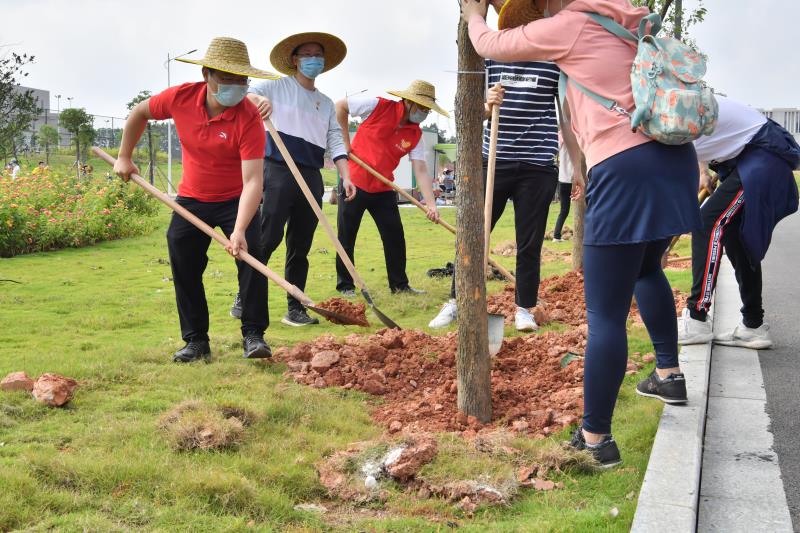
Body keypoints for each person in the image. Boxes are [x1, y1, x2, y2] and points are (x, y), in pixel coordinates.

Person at [462, 0, 703, 467]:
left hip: (626, 162)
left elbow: (491, 45)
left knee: (605, 315)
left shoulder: (570, 25)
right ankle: (669, 374)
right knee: (648, 269)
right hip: (674, 159)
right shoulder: (629, 23)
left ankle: (596, 439)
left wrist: (474, 13)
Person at [114, 37, 277, 363]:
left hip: (236, 199)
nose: (235, 86)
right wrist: (124, 156)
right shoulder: (180, 98)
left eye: (241, 80)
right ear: (207, 75)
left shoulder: (248, 118)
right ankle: (196, 341)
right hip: (191, 198)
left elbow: (253, 182)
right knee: (183, 258)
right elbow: (139, 112)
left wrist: (240, 229)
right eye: (227, 79)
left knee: (252, 255)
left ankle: (254, 335)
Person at [430, 0, 575, 332]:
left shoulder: (553, 61)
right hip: (493, 159)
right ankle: (457, 300)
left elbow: (565, 117)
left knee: (530, 241)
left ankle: (524, 308)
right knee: (474, 235)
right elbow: (471, 110)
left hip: (538, 165)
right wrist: (487, 105)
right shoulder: (491, 55)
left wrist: (576, 168)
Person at [229, 32, 353, 327]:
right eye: (307, 54)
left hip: (311, 174)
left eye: (318, 55)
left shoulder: (324, 103)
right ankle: (244, 295)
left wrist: (345, 175)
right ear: (295, 60)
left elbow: (335, 140)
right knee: (266, 236)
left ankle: (294, 307)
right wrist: (257, 99)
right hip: (277, 170)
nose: (314, 60)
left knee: (301, 243)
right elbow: (245, 93)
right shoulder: (275, 87)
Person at [675, 96, 799, 350]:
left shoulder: (670, 109)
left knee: (708, 223)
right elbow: (693, 141)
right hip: (748, 160)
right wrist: (702, 173)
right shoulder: (683, 106)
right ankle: (753, 327)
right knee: (735, 238)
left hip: (761, 159)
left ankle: (697, 317)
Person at [334, 80, 445, 296]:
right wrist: (345, 143)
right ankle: (345, 285)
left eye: (427, 110)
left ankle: (400, 285)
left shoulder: (416, 135)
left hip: (384, 187)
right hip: (354, 181)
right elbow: (340, 106)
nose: (424, 113)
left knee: (394, 236)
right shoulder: (378, 106)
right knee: (347, 234)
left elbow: (420, 169)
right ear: (408, 102)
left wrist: (431, 204)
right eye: (422, 107)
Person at [552, 133, 574, 242]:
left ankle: (556, 236)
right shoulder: (574, 139)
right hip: (573, 179)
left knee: (564, 210)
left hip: (562, 179)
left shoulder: (559, 140)